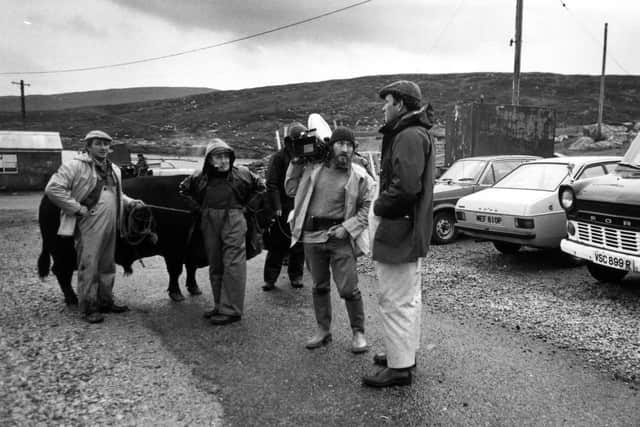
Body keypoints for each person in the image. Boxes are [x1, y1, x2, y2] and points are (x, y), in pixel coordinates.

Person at [362, 80, 435, 388]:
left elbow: (405, 189)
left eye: (387, 102)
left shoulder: (407, 136)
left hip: (399, 231)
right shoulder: (413, 133)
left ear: (401, 105)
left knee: (395, 300)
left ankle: (400, 367)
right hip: (407, 229)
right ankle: (402, 354)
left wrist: (378, 206)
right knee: (407, 298)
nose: (383, 107)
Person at [285, 126, 374, 353]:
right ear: (331, 146)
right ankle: (323, 331)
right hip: (312, 237)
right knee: (319, 286)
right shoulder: (312, 170)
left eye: (349, 145)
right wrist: (296, 161)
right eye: (340, 144)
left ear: (354, 149)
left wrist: (348, 227)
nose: (345, 149)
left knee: (348, 289)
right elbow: (290, 188)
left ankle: (358, 332)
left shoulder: (359, 175)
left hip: (340, 238)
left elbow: (368, 206)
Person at [45, 130, 144, 324]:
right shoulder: (74, 166)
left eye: (106, 144)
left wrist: (131, 202)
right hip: (88, 222)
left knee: (107, 264)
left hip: (111, 222)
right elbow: (53, 189)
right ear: (88, 146)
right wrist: (76, 208)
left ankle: (105, 300)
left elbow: (116, 194)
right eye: (98, 143)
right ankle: (88, 307)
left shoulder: (113, 169)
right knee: (89, 264)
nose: (103, 147)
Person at [179, 139, 265, 325]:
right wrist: (198, 208)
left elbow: (261, 187)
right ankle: (220, 305)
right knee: (215, 263)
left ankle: (232, 310)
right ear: (209, 160)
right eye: (219, 156)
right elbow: (183, 190)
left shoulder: (242, 173)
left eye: (226, 156)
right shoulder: (198, 176)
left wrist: (247, 208)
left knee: (233, 263)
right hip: (209, 219)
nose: (224, 160)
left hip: (234, 218)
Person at [262, 123, 306, 291]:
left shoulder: (307, 157)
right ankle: (270, 279)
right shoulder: (279, 157)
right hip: (283, 205)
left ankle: (296, 275)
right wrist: (277, 206)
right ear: (291, 140)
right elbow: (272, 183)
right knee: (277, 244)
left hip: (300, 205)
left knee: (298, 243)